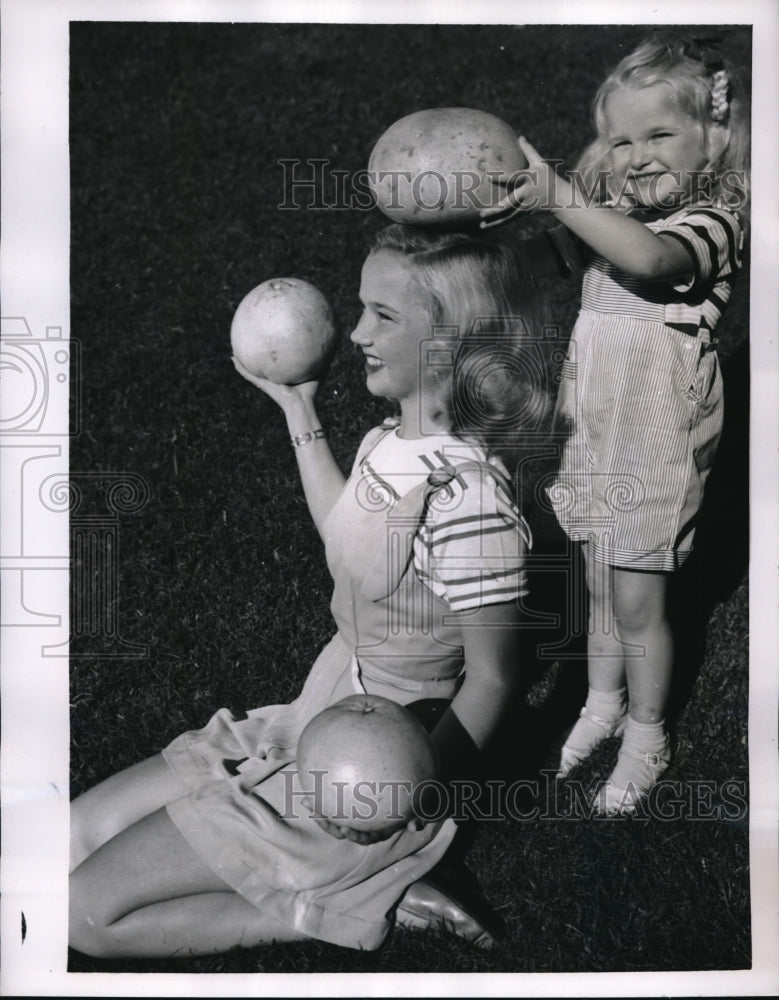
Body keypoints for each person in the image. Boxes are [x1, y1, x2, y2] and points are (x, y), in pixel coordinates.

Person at [69, 224, 547, 958]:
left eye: (382, 317)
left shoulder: (469, 504)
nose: (353, 332)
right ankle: (345, 877)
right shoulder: (390, 440)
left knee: (84, 918)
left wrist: (396, 796)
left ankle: (342, 902)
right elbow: (347, 534)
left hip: (373, 759)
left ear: (453, 342)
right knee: (73, 835)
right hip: (314, 711)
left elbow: (493, 678)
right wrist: (300, 409)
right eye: (360, 308)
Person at [480, 33, 749, 813]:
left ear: (714, 134)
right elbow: (548, 263)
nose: (636, 155)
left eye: (660, 133)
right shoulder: (617, 212)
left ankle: (647, 730)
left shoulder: (715, 220)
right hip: (595, 421)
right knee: (597, 581)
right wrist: (476, 243)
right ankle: (599, 703)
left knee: (639, 600)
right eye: (621, 139)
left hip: (655, 435)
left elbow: (650, 262)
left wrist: (564, 196)